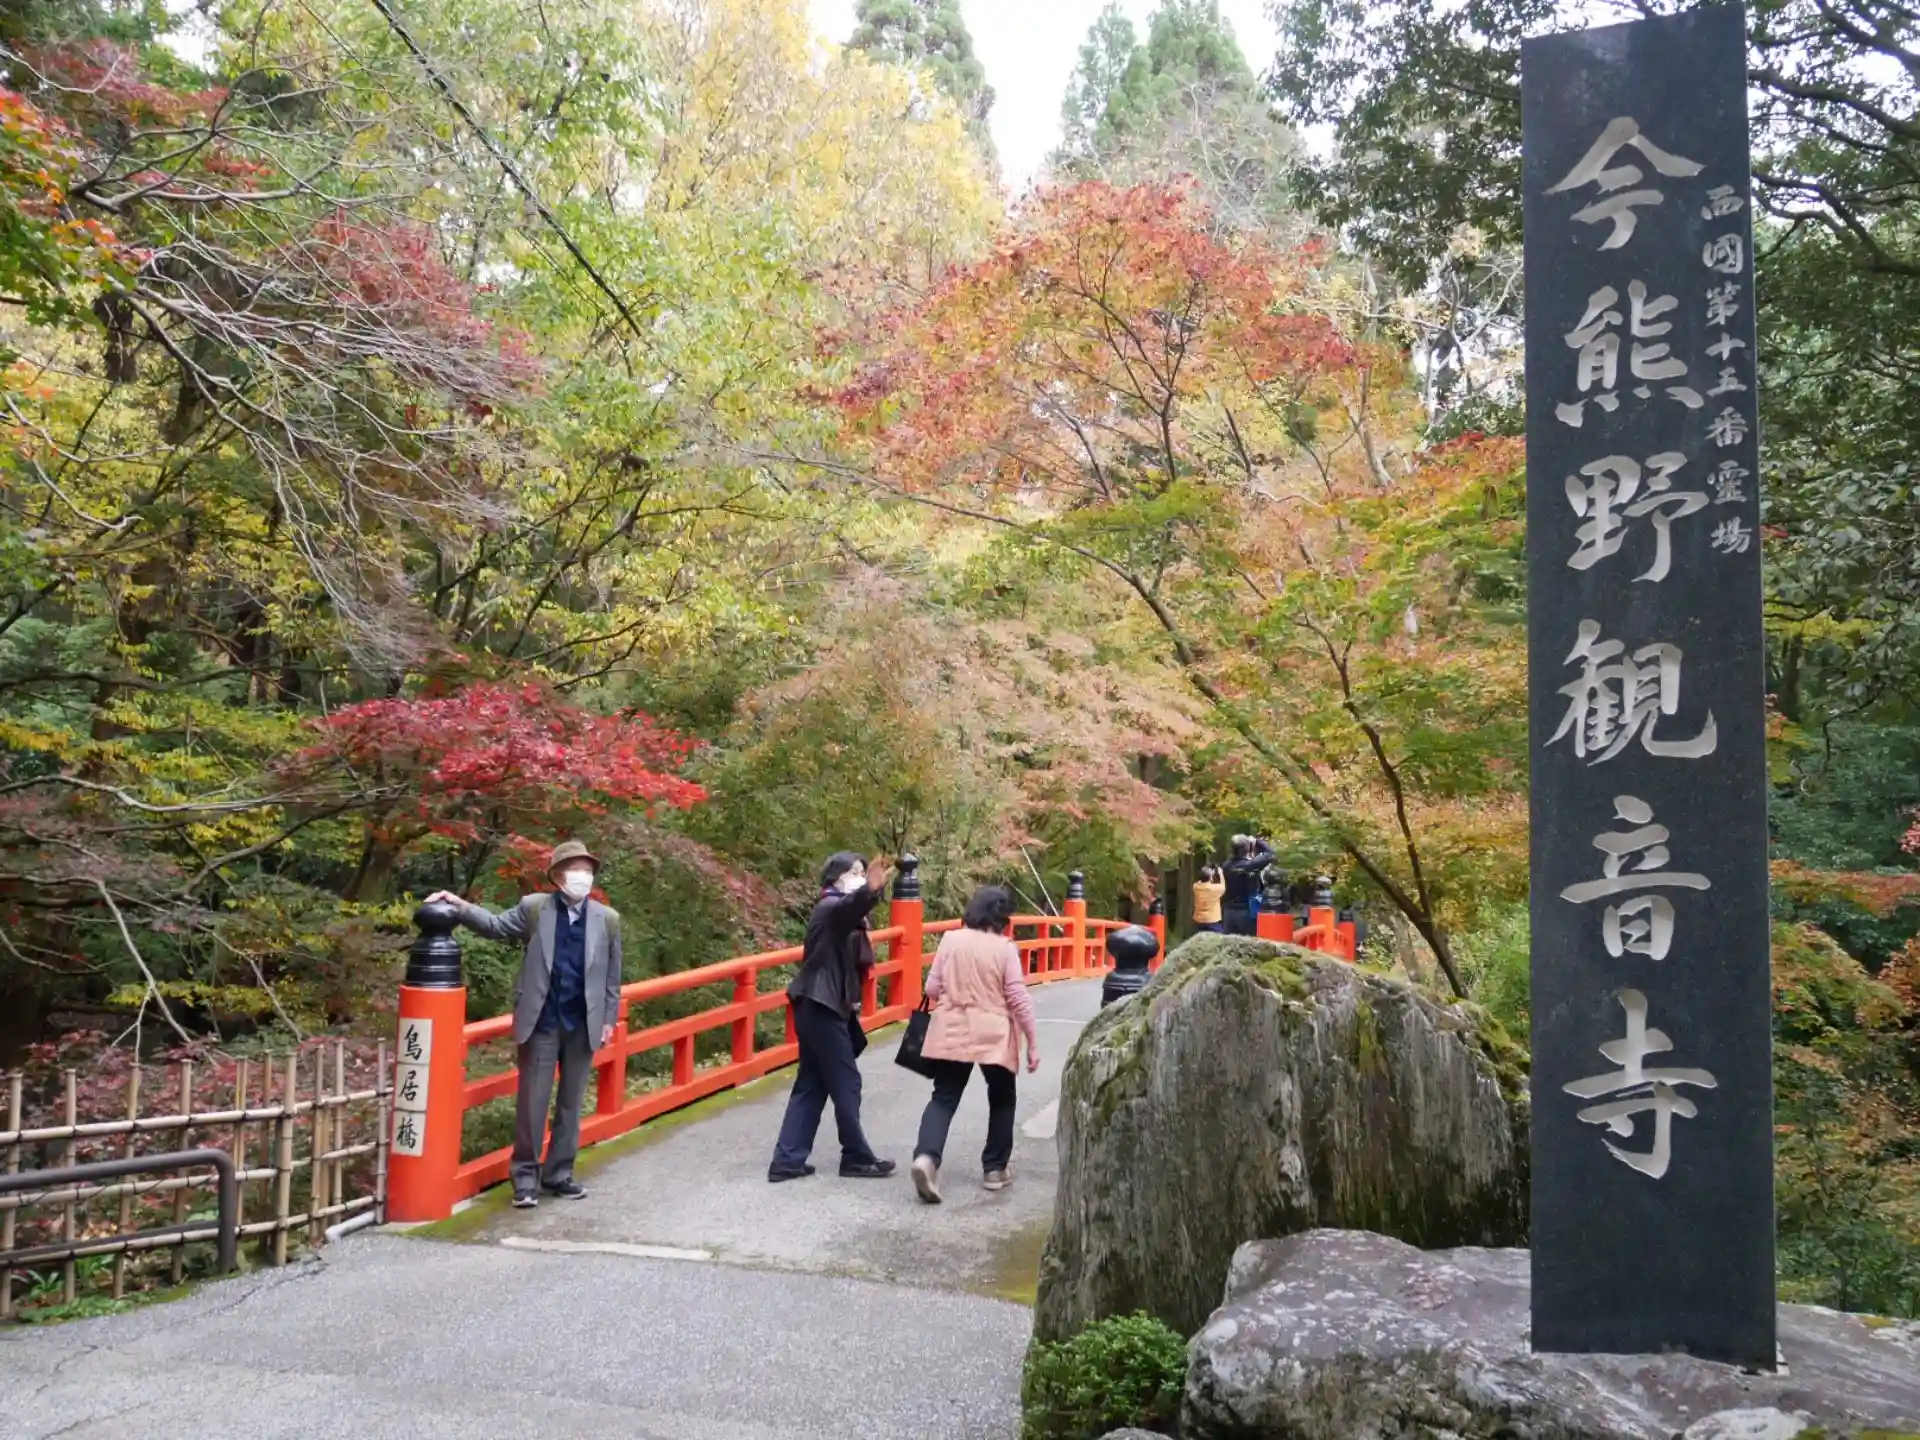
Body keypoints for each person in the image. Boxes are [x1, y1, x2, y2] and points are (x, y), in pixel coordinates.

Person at [424, 840, 621, 1209]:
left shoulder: (606, 919)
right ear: (558, 875)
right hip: (541, 1019)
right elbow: (495, 926)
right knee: (533, 1102)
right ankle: (525, 1178)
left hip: (584, 1022)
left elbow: (612, 976)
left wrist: (609, 1019)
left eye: (587, 870)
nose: (582, 876)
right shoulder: (535, 908)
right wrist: (458, 905)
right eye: (575, 869)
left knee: (571, 1104)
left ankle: (559, 1174)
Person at [769, 852, 897, 1182]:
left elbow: (853, 913)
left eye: (861, 872)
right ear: (835, 878)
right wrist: (869, 890)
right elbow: (849, 908)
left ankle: (787, 1160)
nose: (859, 876)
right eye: (853, 872)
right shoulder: (830, 907)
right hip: (821, 1005)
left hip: (818, 1004)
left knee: (811, 1084)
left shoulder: (839, 912)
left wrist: (870, 892)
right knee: (846, 1082)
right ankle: (855, 1157)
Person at [909, 885, 1039, 1204]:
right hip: (993, 1031)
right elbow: (1017, 998)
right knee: (1002, 1097)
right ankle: (995, 1169)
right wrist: (1032, 1041)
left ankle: (926, 1158)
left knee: (944, 1097)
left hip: (952, 1026)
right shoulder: (1005, 948)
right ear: (1003, 917)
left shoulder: (950, 940)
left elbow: (932, 988)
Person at [1221, 834, 1275, 936]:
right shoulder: (1250, 865)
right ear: (1247, 848)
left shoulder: (1225, 866)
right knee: (1249, 941)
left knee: (1230, 943)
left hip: (1228, 911)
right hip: (1247, 911)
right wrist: (1256, 841)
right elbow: (1270, 854)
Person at [1190, 865, 1226, 933]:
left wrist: (1209, 874)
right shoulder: (1215, 889)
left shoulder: (1195, 886)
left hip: (1198, 919)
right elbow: (1223, 886)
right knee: (1219, 937)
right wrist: (1221, 873)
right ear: (1210, 877)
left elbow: (1200, 881)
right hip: (1212, 920)